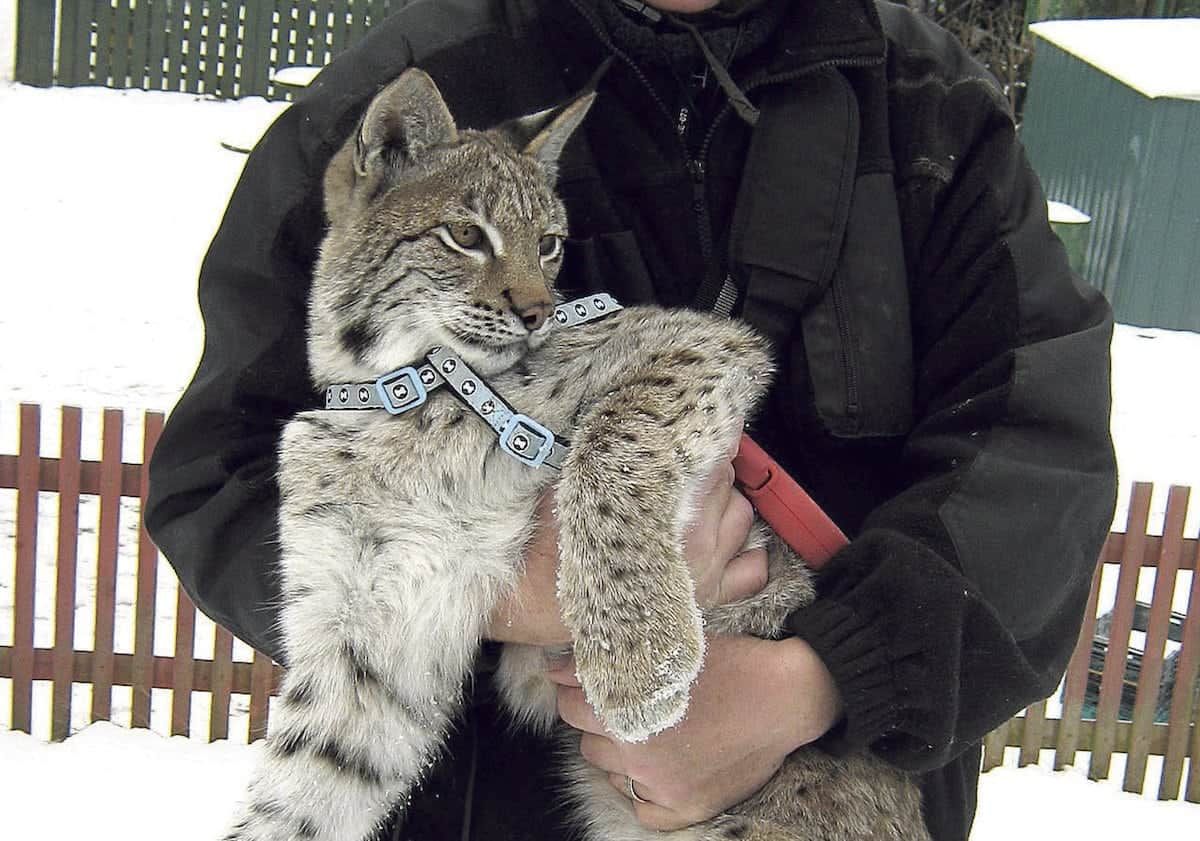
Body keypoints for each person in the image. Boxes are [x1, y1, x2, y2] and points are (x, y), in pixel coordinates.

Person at [145, 1, 1118, 839]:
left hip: (820, 793)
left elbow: (1038, 472)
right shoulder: (416, 83)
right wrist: (506, 587)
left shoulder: (926, 109)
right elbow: (217, 474)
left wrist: (820, 681)